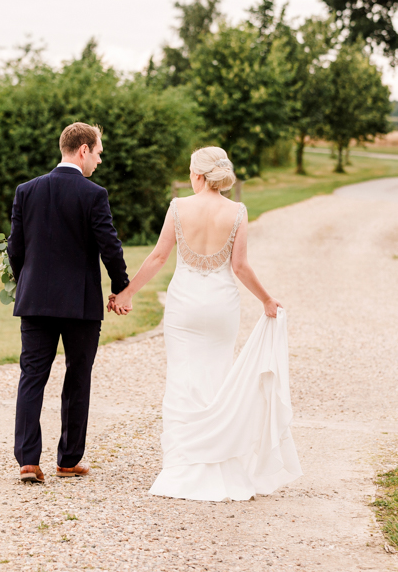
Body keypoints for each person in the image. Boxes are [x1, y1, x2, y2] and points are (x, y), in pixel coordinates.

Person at [112, 146, 301, 501]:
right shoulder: (237, 211)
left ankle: (181, 466)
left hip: (184, 305)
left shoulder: (178, 207)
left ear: (196, 175)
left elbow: (158, 256)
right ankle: (218, 461)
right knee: (216, 377)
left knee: (182, 378)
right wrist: (266, 299)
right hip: (220, 307)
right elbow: (240, 267)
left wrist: (126, 293)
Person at [7, 122, 129, 483]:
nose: (99, 161)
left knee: (32, 377)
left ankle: (28, 461)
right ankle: (67, 460)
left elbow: (16, 248)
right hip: (80, 304)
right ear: (83, 150)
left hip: (36, 302)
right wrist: (121, 287)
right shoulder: (93, 194)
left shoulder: (26, 191)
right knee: (77, 377)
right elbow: (110, 245)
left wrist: (26, 282)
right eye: (99, 152)